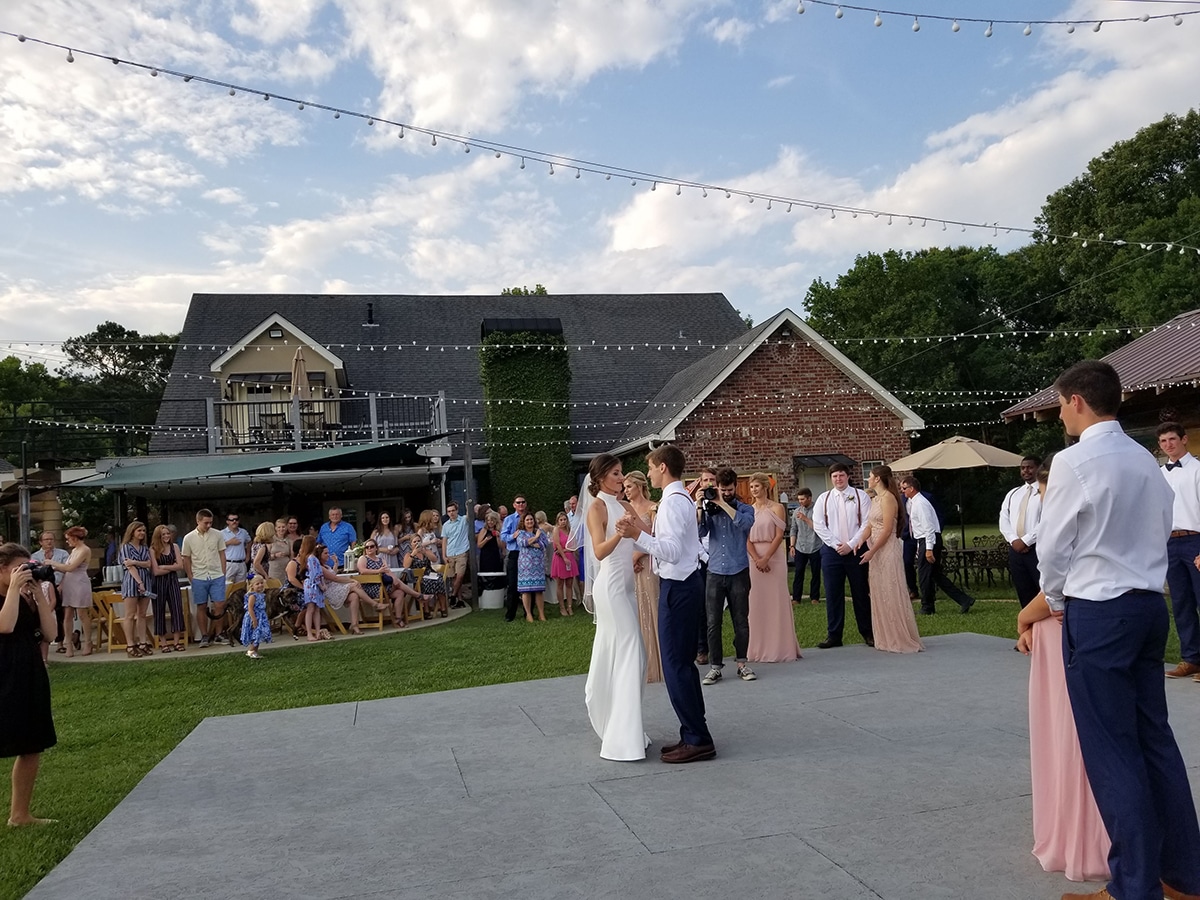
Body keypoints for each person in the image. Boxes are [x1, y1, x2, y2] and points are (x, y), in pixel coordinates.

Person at [1039, 360, 1200, 900]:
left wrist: (1057, 599)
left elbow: (1053, 544)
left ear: (1078, 402)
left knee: (1112, 749)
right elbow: (1160, 527)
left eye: (1062, 403)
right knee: (1155, 738)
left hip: (1099, 610)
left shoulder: (1073, 461)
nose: (1061, 412)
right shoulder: (1146, 461)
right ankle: (1184, 874)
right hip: (1148, 607)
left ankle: (1133, 886)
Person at [1016, 455, 1109, 883]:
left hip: (1063, 627)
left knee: (1067, 729)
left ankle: (1080, 835)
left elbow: (1056, 586)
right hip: (1086, 623)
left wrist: (1023, 618)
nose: (1041, 496)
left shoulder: (1066, 522)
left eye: (1043, 491)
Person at [618, 444, 715, 764]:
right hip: (684, 584)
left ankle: (698, 738)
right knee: (682, 664)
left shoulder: (673, 503)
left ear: (662, 467)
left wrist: (639, 536)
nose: (647, 473)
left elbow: (670, 550)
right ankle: (692, 732)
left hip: (679, 586)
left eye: (649, 467)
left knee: (675, 665)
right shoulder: (678, 499)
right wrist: (638, 530)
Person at [580, 454, 647, 761]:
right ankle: (621, 738)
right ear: (602, 477)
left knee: (634, 656)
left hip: (629, 589)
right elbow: (598, 551)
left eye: (622, 474)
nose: (622, 479)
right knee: (631, 650)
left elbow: (648, 537)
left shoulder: (627, 505)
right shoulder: (597, 507)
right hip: (610, 588)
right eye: (617, 474)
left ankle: (625, 725)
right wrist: (619, 533)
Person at [1, 543, 58, 827]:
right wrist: (13, 589)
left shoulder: (26, 597)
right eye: (17, 569)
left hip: (29, 673)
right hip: (3, 675)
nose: (24, 574)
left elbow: (50, 633)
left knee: (32, 744)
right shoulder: (9, 596)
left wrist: (37, 593)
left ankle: (20, 815)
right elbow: (5, 625)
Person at [698, 467, 757, 684]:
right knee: (713, 622)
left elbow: (746, 524)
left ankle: (742, 663)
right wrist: (700, 508)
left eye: (730, 490)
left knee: (740, 620)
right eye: (722, 490)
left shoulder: (745, 509)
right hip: (714, 571)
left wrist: (723, 504)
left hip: (738, 571)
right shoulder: (709, 508)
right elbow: (699, 533)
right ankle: (715, 667)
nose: (726, 493)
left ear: (735, 488)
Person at [859, 466, 923, 654]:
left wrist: (872, 551)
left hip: (886, 549)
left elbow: (887, 530)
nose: (868, 479)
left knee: (890, 590)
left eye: (870, 476)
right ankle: (885, 636)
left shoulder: (888, 499)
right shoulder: (876, 499)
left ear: (878, 478)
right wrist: (861, 541)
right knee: (878, 591)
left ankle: (898, 635)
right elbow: (870, 524)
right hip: (875, 550)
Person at [812, 462, 874, 649]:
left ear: (847, 476)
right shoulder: (824, 498)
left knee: (861, 592)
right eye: (834, 476)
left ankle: (868, 632)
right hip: (832, 553)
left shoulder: (860, 496)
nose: (838, 479)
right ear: (831, 479)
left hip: (856, 550)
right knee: (833, 594)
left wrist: (852, 544)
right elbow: (818, 524)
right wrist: (835, 544)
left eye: (841, 475)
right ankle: (834, 635)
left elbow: (866, 523)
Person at [1157, 422, 1200, 681]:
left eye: (1172, 439)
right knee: (1182, 603)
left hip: (1195, 540)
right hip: (1170, 543)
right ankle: (1192, 659)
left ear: (1184, 439)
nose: (1168, 445)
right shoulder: (1160, 474)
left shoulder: (1197, 469)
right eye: (1163, 441)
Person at [900, 475, 976, 615]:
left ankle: (927, 606)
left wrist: (928, 549)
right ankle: (964, 599)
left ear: (912, 488)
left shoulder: (920, 503)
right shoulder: (912, 502)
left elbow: (928, 527)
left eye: (904, 488)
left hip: (930, 539)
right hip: (925, 539)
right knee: (935, 574)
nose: (902, 491)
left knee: (924, 575)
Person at [746, 473, 801, 663]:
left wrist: (766, 558)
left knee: (776, 600)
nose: (754, 490)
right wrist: (756, 559)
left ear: (765, 487)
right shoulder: (748, 510)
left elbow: (779, 536)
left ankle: (781, 647)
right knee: (757, 602)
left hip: (774, 556)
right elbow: (745, 538)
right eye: (751, 487)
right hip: (754, 558)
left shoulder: (777, 508)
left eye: (757, 486)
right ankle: (758, 648)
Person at [624, 470, 663, 682]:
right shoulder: (626, 509)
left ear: (640, 485)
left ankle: (658, 663)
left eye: (629, 486)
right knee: (636, 611)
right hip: (631, 565)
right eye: (624, 487)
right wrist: (629, 558)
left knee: (652, 609)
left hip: (649, 563)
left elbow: (656, 536)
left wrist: (637, 556)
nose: (626, 490)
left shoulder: (653, 507)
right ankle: (642, 663)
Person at [1000, 456, 1043, 609]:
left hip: (1037, 548)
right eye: (1023, 468)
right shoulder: (1013, 493)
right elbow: (1003, 519)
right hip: (1016, 550)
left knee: (1042, 590)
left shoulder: (1045, 491)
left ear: (1038, 468)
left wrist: (1026, 540)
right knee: (1024, 592)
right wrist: (1014, 540)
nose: (1026, 471)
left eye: (1030, 467)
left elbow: (1048, 520)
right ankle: (1029, 627)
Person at [181, 508, 227, 648]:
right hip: (199, 575)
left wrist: (223, 572)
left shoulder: (217, 534)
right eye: (206, 523)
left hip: (216, 574)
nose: (208, 525)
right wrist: (190, 575)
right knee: (201, 605)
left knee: (219, 604)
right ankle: (204, 635)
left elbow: (222, 554)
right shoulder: (188, 538)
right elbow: (186, 558)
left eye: (210, 523)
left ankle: (218, 634)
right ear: (198, 521)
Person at [50, 526, 93, 657]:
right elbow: (66, 569)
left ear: (74, 538)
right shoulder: (74, 550)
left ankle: (88, 642)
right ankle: (68, 644)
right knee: (67, 615)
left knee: (82, 614)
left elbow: (71, 567)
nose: (67, 542)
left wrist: (53, 562)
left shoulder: (84, 550)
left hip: (80, 583)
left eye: (68, 539)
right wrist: (54, 568)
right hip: (69, 583)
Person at [118, 521, 153, 658]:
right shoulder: (126, 547)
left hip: (146, 578)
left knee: (142, 614)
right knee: (130, 615)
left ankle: (143, 643)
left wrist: (136, 562)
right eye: (139, 531)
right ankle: (130, 644)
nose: (142, 533)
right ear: (132, 532)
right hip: (132, 581)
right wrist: (139, 582)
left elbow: (148, 563)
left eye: (143, 531)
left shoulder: (144, 548)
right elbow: (129, 566)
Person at [149, 524, 186, 653]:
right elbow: (156, 571)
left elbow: (180, 566)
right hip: (158, 584)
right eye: (163, 534)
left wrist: (164, 567)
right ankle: (163, 643)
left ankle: (177, 642)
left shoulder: (174, 547)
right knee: (159, 612)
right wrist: (171, 566)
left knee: (176, 609)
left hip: (173, 582)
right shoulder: (153, 549)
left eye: (167, 534)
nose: (166, 536)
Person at [30, 532, 69, 653]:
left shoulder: (63, 554)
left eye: (51, 539)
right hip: (43, 588)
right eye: (46, 539)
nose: (49, 542)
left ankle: (61, 643)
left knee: (61, 615)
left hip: (60, 585)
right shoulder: (35, 556)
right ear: (40, 542)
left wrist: (62, 586)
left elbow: (67, 571)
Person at [789, 489, 822, 605]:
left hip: (815, 546)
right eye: (799, 499)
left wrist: (805, 519)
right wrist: (792, 545)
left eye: (802, 499)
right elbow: (793, 529)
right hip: (800, 547)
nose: (800, 502)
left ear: (809, 498)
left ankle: (815, 597)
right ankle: (796, 598)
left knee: (815, 573)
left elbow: (819, 528)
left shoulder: (817, 511)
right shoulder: (796, 511)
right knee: (798, 572)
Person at [499, 495, 529, 622]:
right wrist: (513, 536)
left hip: (527, 554)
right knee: (512, 584)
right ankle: (510, 614)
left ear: (525, 504)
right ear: (514, 505)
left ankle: (529, 612)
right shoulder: (509, 519)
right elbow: (503, 536)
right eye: (518, 502)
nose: (521, 505)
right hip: (515, 553)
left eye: (523, 502)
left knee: (528, 584)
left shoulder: (529, 518)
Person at [516, 512, 549, 622]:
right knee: (526, 591)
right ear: (523, 522)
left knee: (539, 591)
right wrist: (536, 538)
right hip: (525, 566)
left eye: (531, 519)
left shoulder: (540, 531)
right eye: (527, 520)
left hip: (538, 565)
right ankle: (529, 614)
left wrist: (534, 543)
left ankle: (541, 614)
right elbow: (523, 543)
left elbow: (545, 544)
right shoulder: (521, 533)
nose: (530, 521)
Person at [301, 540, 331, 642]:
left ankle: (318, 632)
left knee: (317, 609)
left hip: (317, 584)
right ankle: (310, 633)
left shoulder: (314, 558)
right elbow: (314, 574)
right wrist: (321, 585)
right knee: (311, 608)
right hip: (312, 585)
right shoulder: (310, 558)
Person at [441, 502, 471, 607]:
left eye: (453, 510)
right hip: (450, 552)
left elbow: (469, 516)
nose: (451, 513)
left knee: (460, 575)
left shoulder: (463, 520)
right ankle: (460, 600)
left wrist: (468, 506)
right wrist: (444, 555)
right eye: (449, 511)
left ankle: (453, 595)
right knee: (453, 577)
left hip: (461, 552)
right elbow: (444, 541)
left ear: (457, 510)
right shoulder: (445, 525)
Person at [550, 511, 578, 617]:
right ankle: (562, 607)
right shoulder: (556, 530)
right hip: (560, 558)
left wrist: (566, 551)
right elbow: (557, 544)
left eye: (564, 519)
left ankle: (569, 606)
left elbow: (574, 544)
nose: (563, 522)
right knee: (560, 583)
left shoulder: (570, 531)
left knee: (570, 583)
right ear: (558, 521)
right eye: (561, 520)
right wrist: (564, 556)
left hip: (569, 556)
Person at [241, 575, 272, 659]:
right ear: (252, 586)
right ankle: (251, 651)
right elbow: (250, 608)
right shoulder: (253, 596)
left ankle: (255, 651)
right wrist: (254, 619)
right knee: (255, 633)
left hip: (261, 616)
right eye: (257, 584)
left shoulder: (261, 595)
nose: (260, 585)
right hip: (254, 616)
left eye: (261, 583)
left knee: (259, 634)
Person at [220, 513, 250, 585]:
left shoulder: (243, 532)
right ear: (227, 522)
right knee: (228, 586)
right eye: (232, 520)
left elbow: (249, 542)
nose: (234, 521)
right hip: (229, 563)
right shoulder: (221, 533)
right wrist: (229, 542)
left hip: (241, 563)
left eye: (236, 519)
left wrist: (248, 555)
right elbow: (216, 547)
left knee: (241, 587)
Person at [267, 519, 291, 583]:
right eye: (279, 527)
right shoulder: (271, 540)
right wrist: (275, 555)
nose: (281, 529)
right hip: (274, 569)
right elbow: (266, 556)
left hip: (285, 568)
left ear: (286, 528)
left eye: (283, 527)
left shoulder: (289, 540)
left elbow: (292, 556)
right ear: (275, 528)